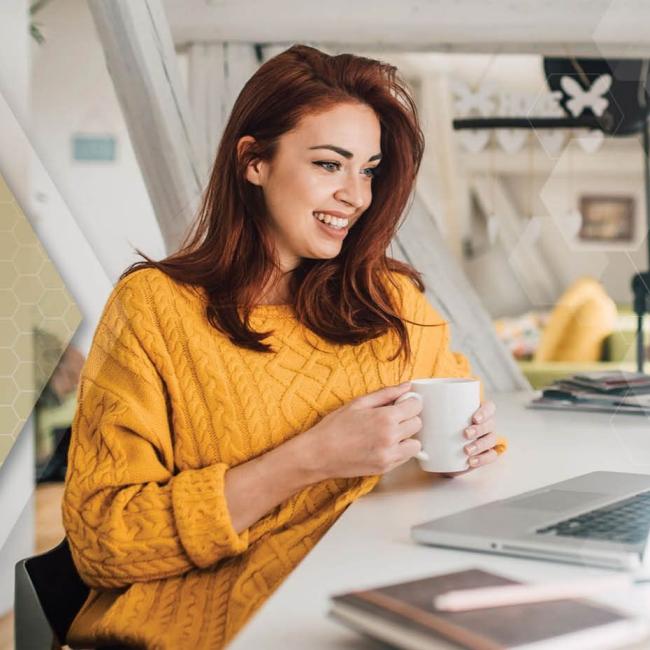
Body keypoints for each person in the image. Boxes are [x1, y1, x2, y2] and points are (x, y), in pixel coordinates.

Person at [62, 44, 505, 650]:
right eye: (330, 164)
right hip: (201, 624)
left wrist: (473, 441)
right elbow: (100, 542)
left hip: (363, 594)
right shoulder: (154, 309)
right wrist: (310, 458)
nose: (357, 195)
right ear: (254, 162)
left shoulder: (390, 301)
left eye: (369, 169)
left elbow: (460, 410)